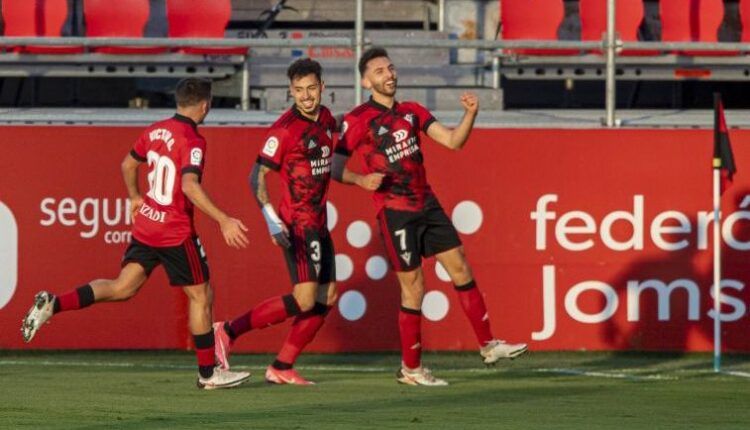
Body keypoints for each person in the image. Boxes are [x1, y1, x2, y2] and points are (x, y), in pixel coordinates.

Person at [21, 78, 251, 390]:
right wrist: (224, 219)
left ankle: (54, 303)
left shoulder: (155, 130)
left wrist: (134, 197)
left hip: (147, 225)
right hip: (174, 230)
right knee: (201, 296)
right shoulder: (193, 140)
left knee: (122, 287)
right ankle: (209, 373)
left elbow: (128, 164)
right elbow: (188, 185)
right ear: (205, 105)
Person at [332, 47, 528, 386]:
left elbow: (453, 142)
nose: (388, 74)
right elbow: (335, 168)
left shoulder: (412, 111)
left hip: (427, 204)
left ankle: (488, 345)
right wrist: (361, 180)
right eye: (379, 71)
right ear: (366, 81)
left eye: (390, 68)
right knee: (414, 289)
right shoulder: (358, 119)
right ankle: (411, 369)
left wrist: (470, 115)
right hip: (395, 213)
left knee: (461, 267)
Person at [213, 58, 349, 385]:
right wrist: (272, 219)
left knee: (327, 297)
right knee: (304, 298)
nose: (305, 96)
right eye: (299, 90)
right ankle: (228, 330)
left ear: (322, 89)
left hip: (319, 223)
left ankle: (282, 365)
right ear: (291, 91)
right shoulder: (285, 129)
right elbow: (255, 175)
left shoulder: (328, 119)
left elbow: (336, 145)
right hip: (296, 224)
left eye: (311, 89)